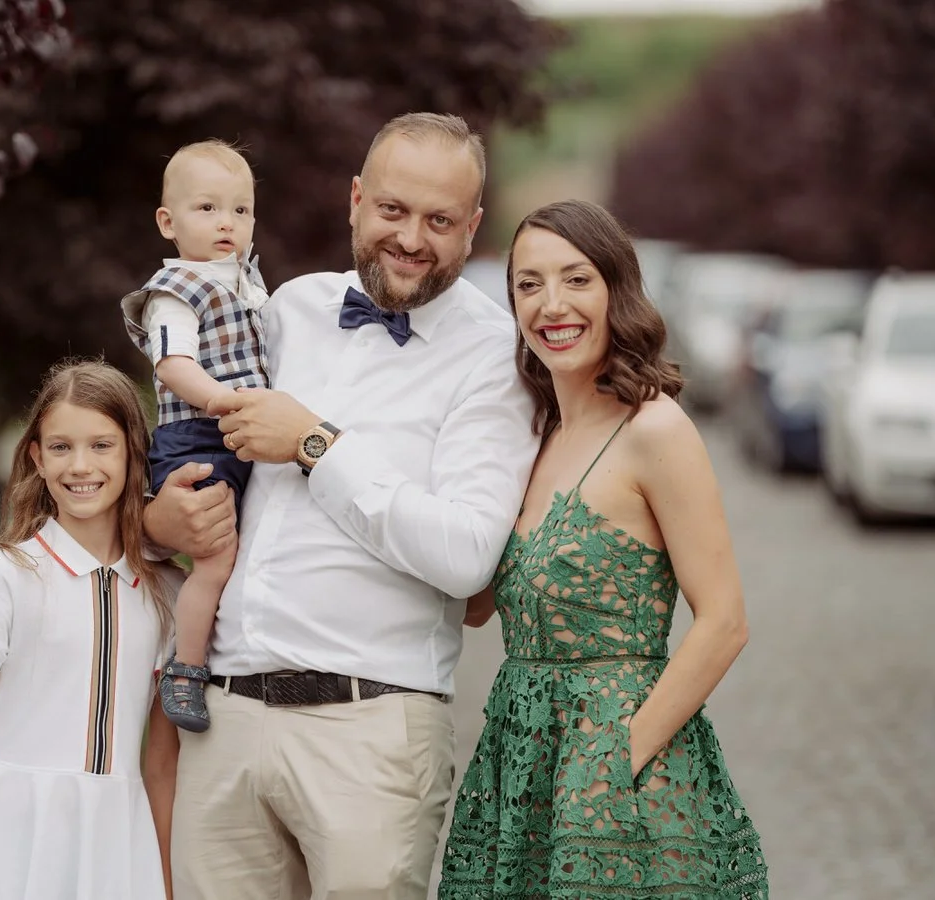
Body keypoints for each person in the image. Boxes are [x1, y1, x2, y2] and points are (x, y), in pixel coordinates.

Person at [143, 112, 540, 900]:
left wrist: (319, 444)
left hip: (371, 732)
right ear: (356, 200)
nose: (412, 238)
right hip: (224, 717)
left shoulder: (494, 357)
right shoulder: (284, 307)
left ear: (473, 228)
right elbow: (194, 444)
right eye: (393, 210)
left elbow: (467, 559)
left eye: (439, 220)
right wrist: (158, 524)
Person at [438, 199, 769, 898]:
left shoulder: (656, 429)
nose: (551, 304)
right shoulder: (532, 438)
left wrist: (618, 758)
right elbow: (474, 606)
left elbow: (724, 621)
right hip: (520, 766)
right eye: (529, 284)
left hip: (623, 774)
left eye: (575, 279)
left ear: (616, 289)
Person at [0, 360, 182, 900]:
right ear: (37, 458)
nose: (80, 465)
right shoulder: (7, 573)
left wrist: (168, 879)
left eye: (102, 445)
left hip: (119, 846)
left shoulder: (166, 592)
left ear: (134, 451)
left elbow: (161, 763)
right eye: (61, 447)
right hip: (12, 841)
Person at [120, 139, 270, 733]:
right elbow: (172, 363)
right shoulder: (176, 288)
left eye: (241, 210)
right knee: (214, 557)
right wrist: (218, 398)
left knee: (245, 542)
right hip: (199, 436)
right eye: (207, 209)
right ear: (168, 222)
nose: (227, 223)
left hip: (237, 430)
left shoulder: (247, 283)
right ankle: (185, 670)